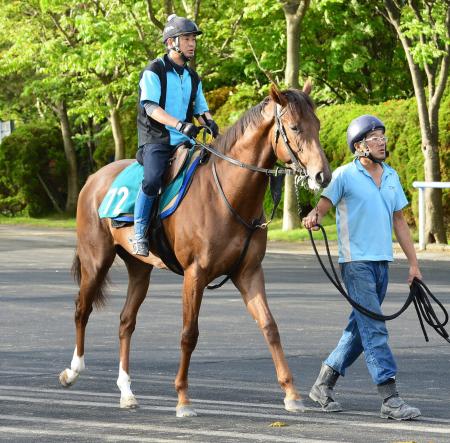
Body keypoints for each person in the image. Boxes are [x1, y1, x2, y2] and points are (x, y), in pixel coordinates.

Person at [302, 115, 422, 420]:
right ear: (359, 146)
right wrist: (314, 216)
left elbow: (400, 223)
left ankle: (323, 383)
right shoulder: (344, 175)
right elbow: (324, 206)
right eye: (375, 137)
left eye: (383, 136)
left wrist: (413, 264)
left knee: (361, 327)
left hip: (382, 263)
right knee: (375, 328)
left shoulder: (392, 176)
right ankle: (390, 398)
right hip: (356, 264)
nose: (382, 142)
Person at [133, 14, 219, 256]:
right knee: (151, 179)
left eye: (193, 39)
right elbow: (151, 108)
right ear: (171, 42)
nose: (192, 44)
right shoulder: (154, 70)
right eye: (187, 39)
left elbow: (199, 107)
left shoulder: (192, 76)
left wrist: (210, 122)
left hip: (186, 140)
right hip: (157, 139)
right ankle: (139, 230)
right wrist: (180, 125)